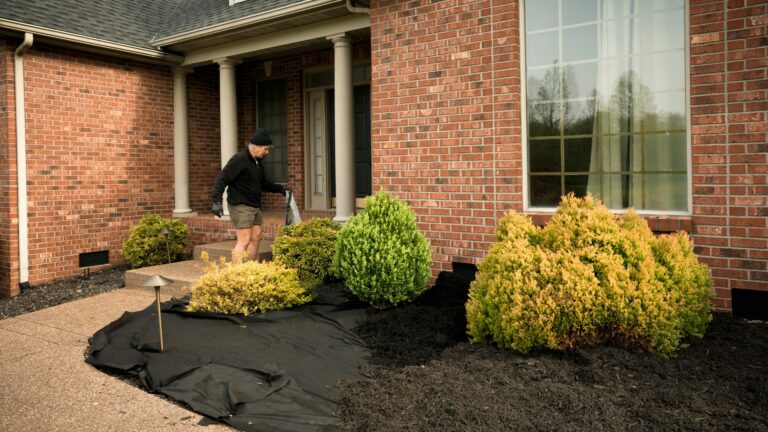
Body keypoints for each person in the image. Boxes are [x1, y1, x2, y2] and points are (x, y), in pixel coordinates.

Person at [211, 128, 288, 262]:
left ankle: (250, 269)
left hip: (254, 205)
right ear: (256, 146)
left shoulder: (258, 162)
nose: (267, 152)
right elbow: (222, 179)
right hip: (240, 205)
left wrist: (281, 189)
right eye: (266, 149)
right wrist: (216, 201)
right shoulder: (239, 159)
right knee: (244, 240)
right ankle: (237, 275)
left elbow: (263, 184)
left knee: (256, 237)